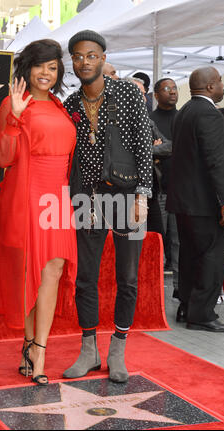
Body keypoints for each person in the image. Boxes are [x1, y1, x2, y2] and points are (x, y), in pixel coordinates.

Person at [63, 30, 153, 383]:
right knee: (86, 279)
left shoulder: (129, 93)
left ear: (102, 58)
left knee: (127, 279)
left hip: (128, 197)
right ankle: (88, 350)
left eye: (91, 55)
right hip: (88, 198)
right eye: (78, 56)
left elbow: (144, 145)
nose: (84, 61)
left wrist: (143, 195)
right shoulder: (71, 103)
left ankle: (118, 350)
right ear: (72, 62)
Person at [0, 39, 77, 385]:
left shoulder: (59, 106)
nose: (46, 73)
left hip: (58, 197)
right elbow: (3, 157)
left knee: (53, 271)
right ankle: (31, 348)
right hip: (25, 193)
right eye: (40, 65)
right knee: (31, 272)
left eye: (53, 67)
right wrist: (14, 118)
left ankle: (39, 349)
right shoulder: (13, 102)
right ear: (28, 68)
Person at [166, 66, 224, 332]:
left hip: (187, 203)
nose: (223, 86)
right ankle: (202, 314)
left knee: (190, 257)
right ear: (210, 87)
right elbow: (215, 161)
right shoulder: (208, 114)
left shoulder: (186, 111)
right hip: (207, 204)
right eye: (220, 82)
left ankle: (188, 306)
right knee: (210, 259)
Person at [126, 76, 171, 243]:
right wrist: (151, 152)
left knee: (156, 237)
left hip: (150, 190)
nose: (144, 98)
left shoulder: (147, 121)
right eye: (140, 93)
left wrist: (148, 150)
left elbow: (169, 146)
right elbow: (124, 154)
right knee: (133, 241)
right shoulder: (115, 122)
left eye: (144, 94)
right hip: (127, 192)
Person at [150, 78, 179, 299]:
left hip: (180, 190)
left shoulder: (184, 118)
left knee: (178, 244)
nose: (172, 92)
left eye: (174, 88)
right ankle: (154, 292)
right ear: (156, 95)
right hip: (158, 190)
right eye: (166, 89)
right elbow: (143, 150)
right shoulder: (150, 120)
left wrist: (158, 148)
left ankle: (179, 290)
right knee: (157, 241)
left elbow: (181, 146)